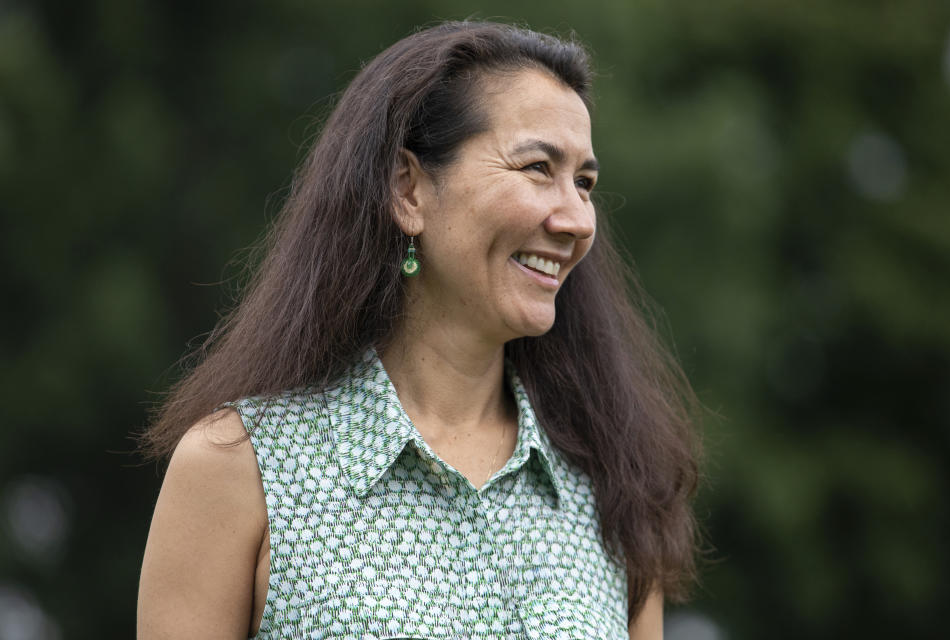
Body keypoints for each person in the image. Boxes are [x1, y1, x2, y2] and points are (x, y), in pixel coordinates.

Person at [136, 20, 700, 640]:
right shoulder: (239, 466)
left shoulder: (614, 492)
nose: (576, 219)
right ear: (408, 189)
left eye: (584, 183)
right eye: (539, 167)